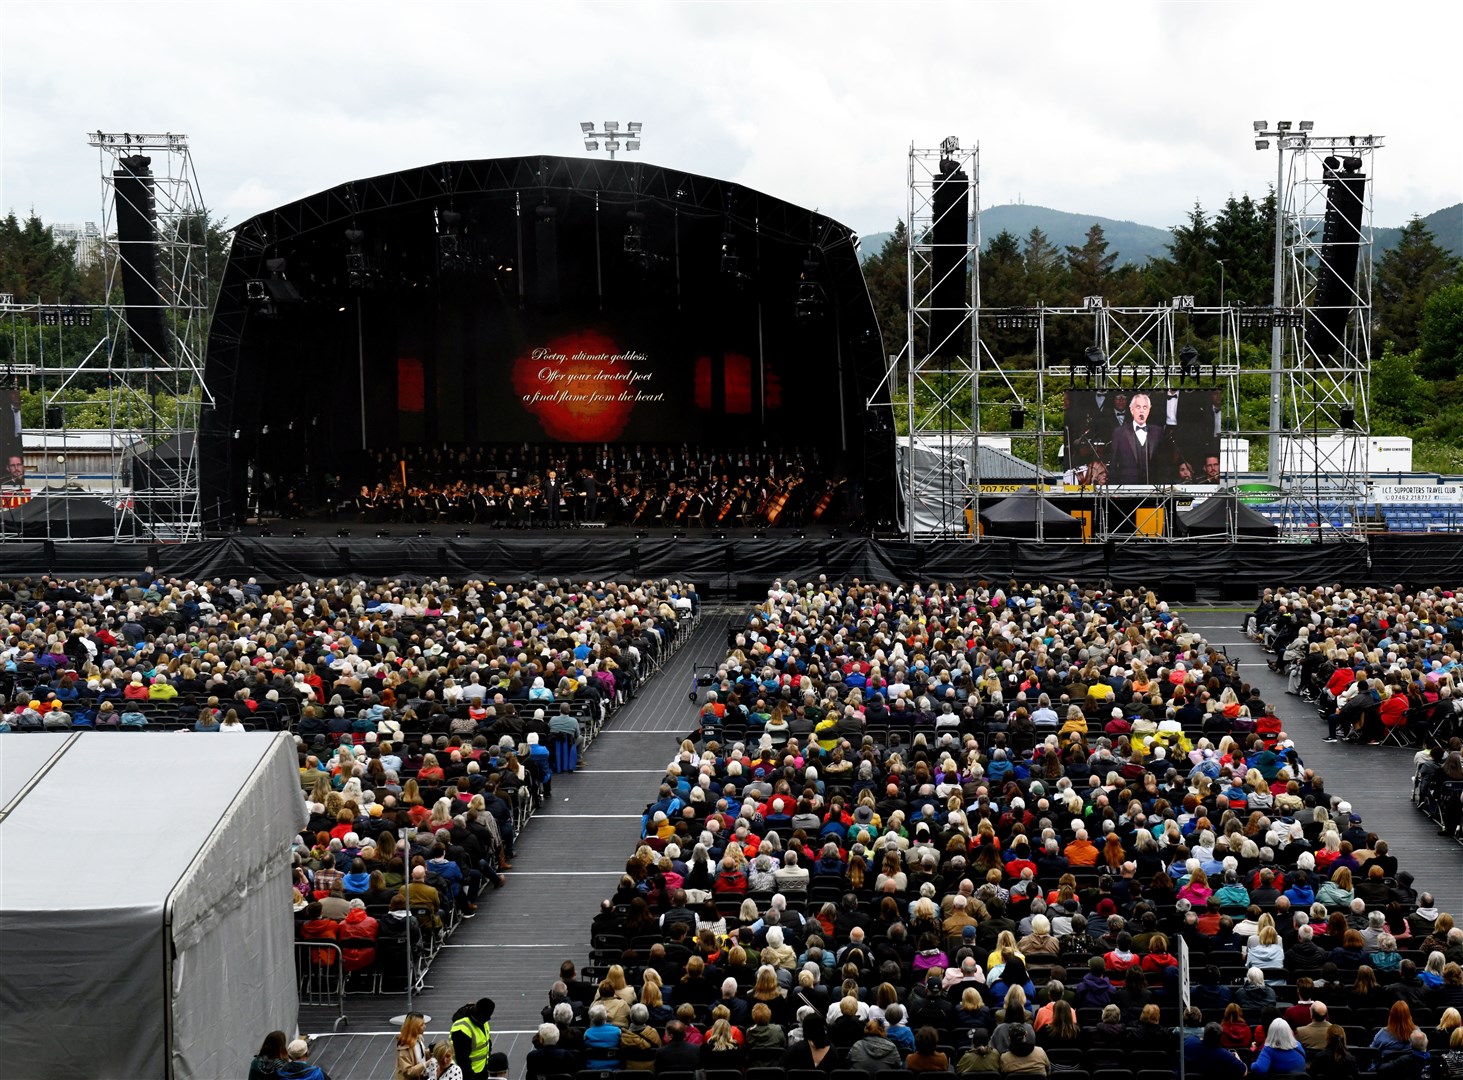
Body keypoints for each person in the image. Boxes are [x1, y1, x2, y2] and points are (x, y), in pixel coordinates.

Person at [1107, 392, 1170, 485]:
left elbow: (1163, 463)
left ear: (1149, 410)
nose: (1141, 411)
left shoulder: (1157, 432)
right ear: (1131, 410)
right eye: (1138, 407)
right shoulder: (1120, 432)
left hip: (1153, 488)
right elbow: (1113, 464)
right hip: (1127, 487)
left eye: (1145, 408)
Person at [450, 997, 495, 1079]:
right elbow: (462, 1061)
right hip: (470, 1073)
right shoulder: (462, 1030)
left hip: (482, 1068)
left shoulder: (481, 1019)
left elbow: (486, 1039)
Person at [1180, 1022, 1246, 1079]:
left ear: (1204, 1034)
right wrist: (1238, 1058)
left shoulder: (1189, 1042)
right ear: (1220, 1038)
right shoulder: (1225, 1055)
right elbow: (1244, 1072)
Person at [395, 1012, 430, 1080]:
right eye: (422, 1025)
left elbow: (420, 1055)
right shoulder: (404, 1047)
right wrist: (426, 1064)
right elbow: (408, 1071)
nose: (424, 1026)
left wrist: (431, 1052)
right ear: (415, 1027)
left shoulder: (419, 1038)